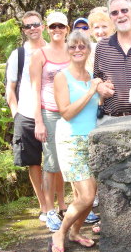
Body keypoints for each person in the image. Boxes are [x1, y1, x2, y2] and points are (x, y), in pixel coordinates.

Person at [50, 30, 101, 251]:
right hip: (70, 141)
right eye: (73, 46)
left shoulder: (91, 76)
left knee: (88, 197)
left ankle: (75, 232)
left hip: (90, 141)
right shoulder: (62, 77)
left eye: (82, 46)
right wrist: (91, 92)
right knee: (87, 195)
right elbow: (66, 112)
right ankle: (59, 233)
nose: (77, 50)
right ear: (68, 50)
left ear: (89, 50)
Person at [30, 11, 70, 232]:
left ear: (67, 29)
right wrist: (39, 121)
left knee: (66, 160)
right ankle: (49, 209)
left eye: (61, 26)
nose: (57, 30)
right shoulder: (40, 55)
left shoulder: (72, 50)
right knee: (51, 162)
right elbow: (35, 89)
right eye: (53, 26)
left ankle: (63, 205)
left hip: (70, 112)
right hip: (50, 113)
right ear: (47, 28)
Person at [6, 11, 47, 222]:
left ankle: (59, 204)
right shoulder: (18, 55)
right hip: (26, 115)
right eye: (28, 26)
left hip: (51, 113)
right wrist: (16, 115)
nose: (32, 28)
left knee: (53, 162)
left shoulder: (53, 50)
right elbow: (10, 89)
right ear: (23, 30)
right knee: (34, 163)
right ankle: (43, 206)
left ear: (43, 25)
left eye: (36, 24)